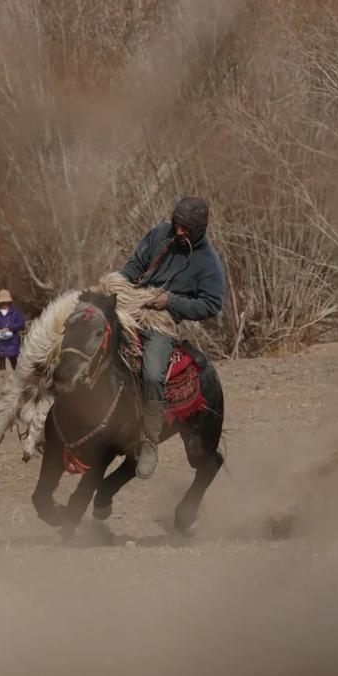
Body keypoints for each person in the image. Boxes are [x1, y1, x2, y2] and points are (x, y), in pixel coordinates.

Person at [121, 197, 224, 480]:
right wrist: (119, 286)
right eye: (177, 224)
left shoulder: (209, 262)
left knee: (153, 372)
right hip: (131, 304)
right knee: (88, 334)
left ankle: (149, 443)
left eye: (185, 228)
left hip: (161, 322)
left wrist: (171, 302)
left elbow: (212, 304)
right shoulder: (159, 234)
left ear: (199, 229)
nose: (178, 231)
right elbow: (134, 265)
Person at [0, 289, 25, 372]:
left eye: (6, 302)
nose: (5, 304)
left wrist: (9, 328)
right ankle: (2, 379)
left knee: (16, 367)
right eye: (3, 302)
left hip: (12, 343)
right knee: (0, 370)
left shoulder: (16, 312)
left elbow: (21, 324)